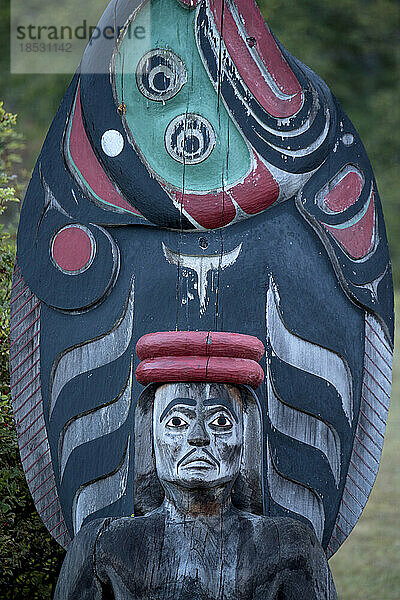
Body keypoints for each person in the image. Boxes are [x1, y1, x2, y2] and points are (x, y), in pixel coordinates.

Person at [54, 332, 337, 600]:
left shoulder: (290, 545)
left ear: (247, 435)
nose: (199, 437)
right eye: (177, 421)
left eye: (221, 422)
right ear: (149, 434)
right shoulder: (102, 543)